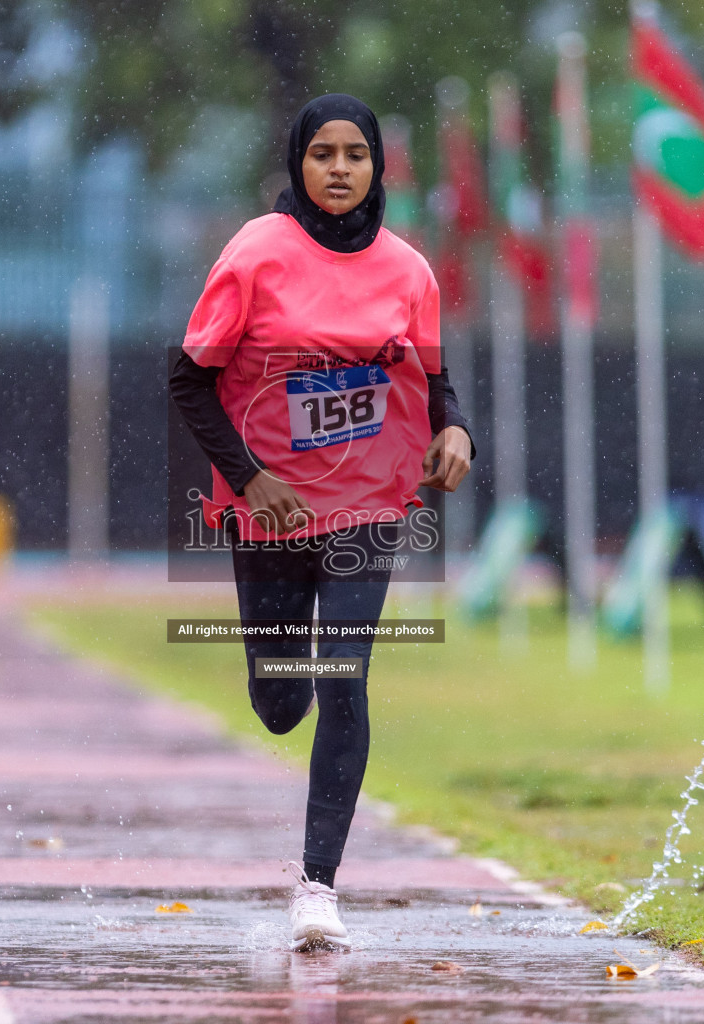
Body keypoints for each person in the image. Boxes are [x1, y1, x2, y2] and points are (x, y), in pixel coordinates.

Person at [170, 94, 474, 950]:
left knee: (344, 674)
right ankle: (280, 680)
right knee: (279, 702)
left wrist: (456, 429)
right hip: (268, 505)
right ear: (297, 165)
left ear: (378, 168)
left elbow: (433, 383)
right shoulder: (256, 254)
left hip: (367, 506)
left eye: (356, 155)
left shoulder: (409, 270)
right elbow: (191, 382)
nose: (340, 169)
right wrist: (251, 479)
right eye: (322, 154)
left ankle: (318, 886)